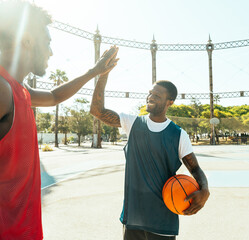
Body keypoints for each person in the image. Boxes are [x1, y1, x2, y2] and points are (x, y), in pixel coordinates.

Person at [0, 1, 118, 239]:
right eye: (48, 43)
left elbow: (54, 96)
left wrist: (94, 72)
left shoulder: (16, 88)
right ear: (27, 40)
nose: (50, 51)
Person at [90, 50, 210, 240]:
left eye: (157, 95)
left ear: (170, 102)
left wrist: (204, 190)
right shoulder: (133, 123)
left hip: (164, 220)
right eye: (150, 93)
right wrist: (103, 75)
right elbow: (97, 110)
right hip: (133, 218)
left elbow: (195, 169)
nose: (150, 97)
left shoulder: (178, 135)